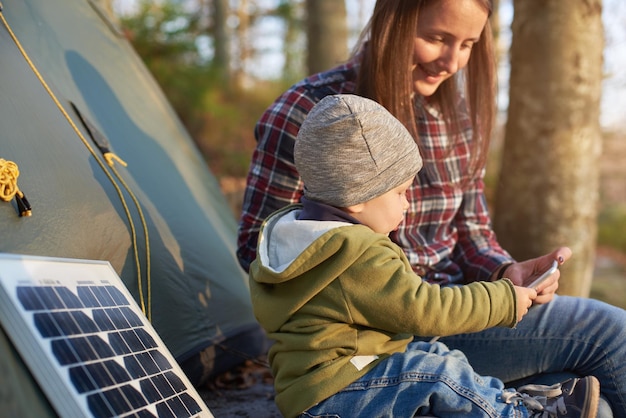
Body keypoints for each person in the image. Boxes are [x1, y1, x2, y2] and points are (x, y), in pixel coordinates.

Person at [237, 0, 626, 415]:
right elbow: (260, 249)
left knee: (593, 390)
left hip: (458, 312)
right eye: (437, 38)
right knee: (607, 337)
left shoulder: (454, 113)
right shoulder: (308, 113)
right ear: (392, 23)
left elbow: (472, 232)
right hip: (382, 338)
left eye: (468, 44)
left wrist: (506, 272)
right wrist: (367, 288)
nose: (451, 61)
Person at [249, 93, 600, 417]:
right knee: (437, 372)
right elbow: (424, 309)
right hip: (338, 392)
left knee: (435, 356)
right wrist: (503, 299)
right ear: (358, 199)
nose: (407, 203)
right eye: (400, 192)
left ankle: (505, 400)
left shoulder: (294, 239)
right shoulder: (356, 254)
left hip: (324, 387)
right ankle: (515, 413)